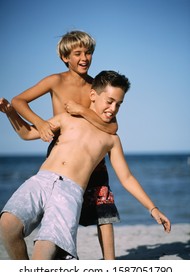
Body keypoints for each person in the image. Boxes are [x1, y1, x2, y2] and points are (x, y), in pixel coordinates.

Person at [0, 70, 171, 260]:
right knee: (7, 224)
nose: (113, 109)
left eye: (119, 104)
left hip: (69, 191)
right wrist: (11, 114)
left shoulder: (111, 139)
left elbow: (127, 177)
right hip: (42, 180)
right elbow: (27, 134)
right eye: (109, 101)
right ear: (93, 95)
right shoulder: (66, 118)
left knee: (44, 250)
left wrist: (152, 208)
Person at [10, 30, 120, 259]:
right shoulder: (55, 81)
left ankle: (111, 265)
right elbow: (19, 101)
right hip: (63, 156)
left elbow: (111, 128)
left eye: (88, 52)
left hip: (93, 157)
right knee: (55, 213)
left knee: (104, 211)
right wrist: (40, 123)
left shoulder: (96, 86)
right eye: (78, 53)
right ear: (65, 57)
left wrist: (82, 111)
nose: (84, 58)